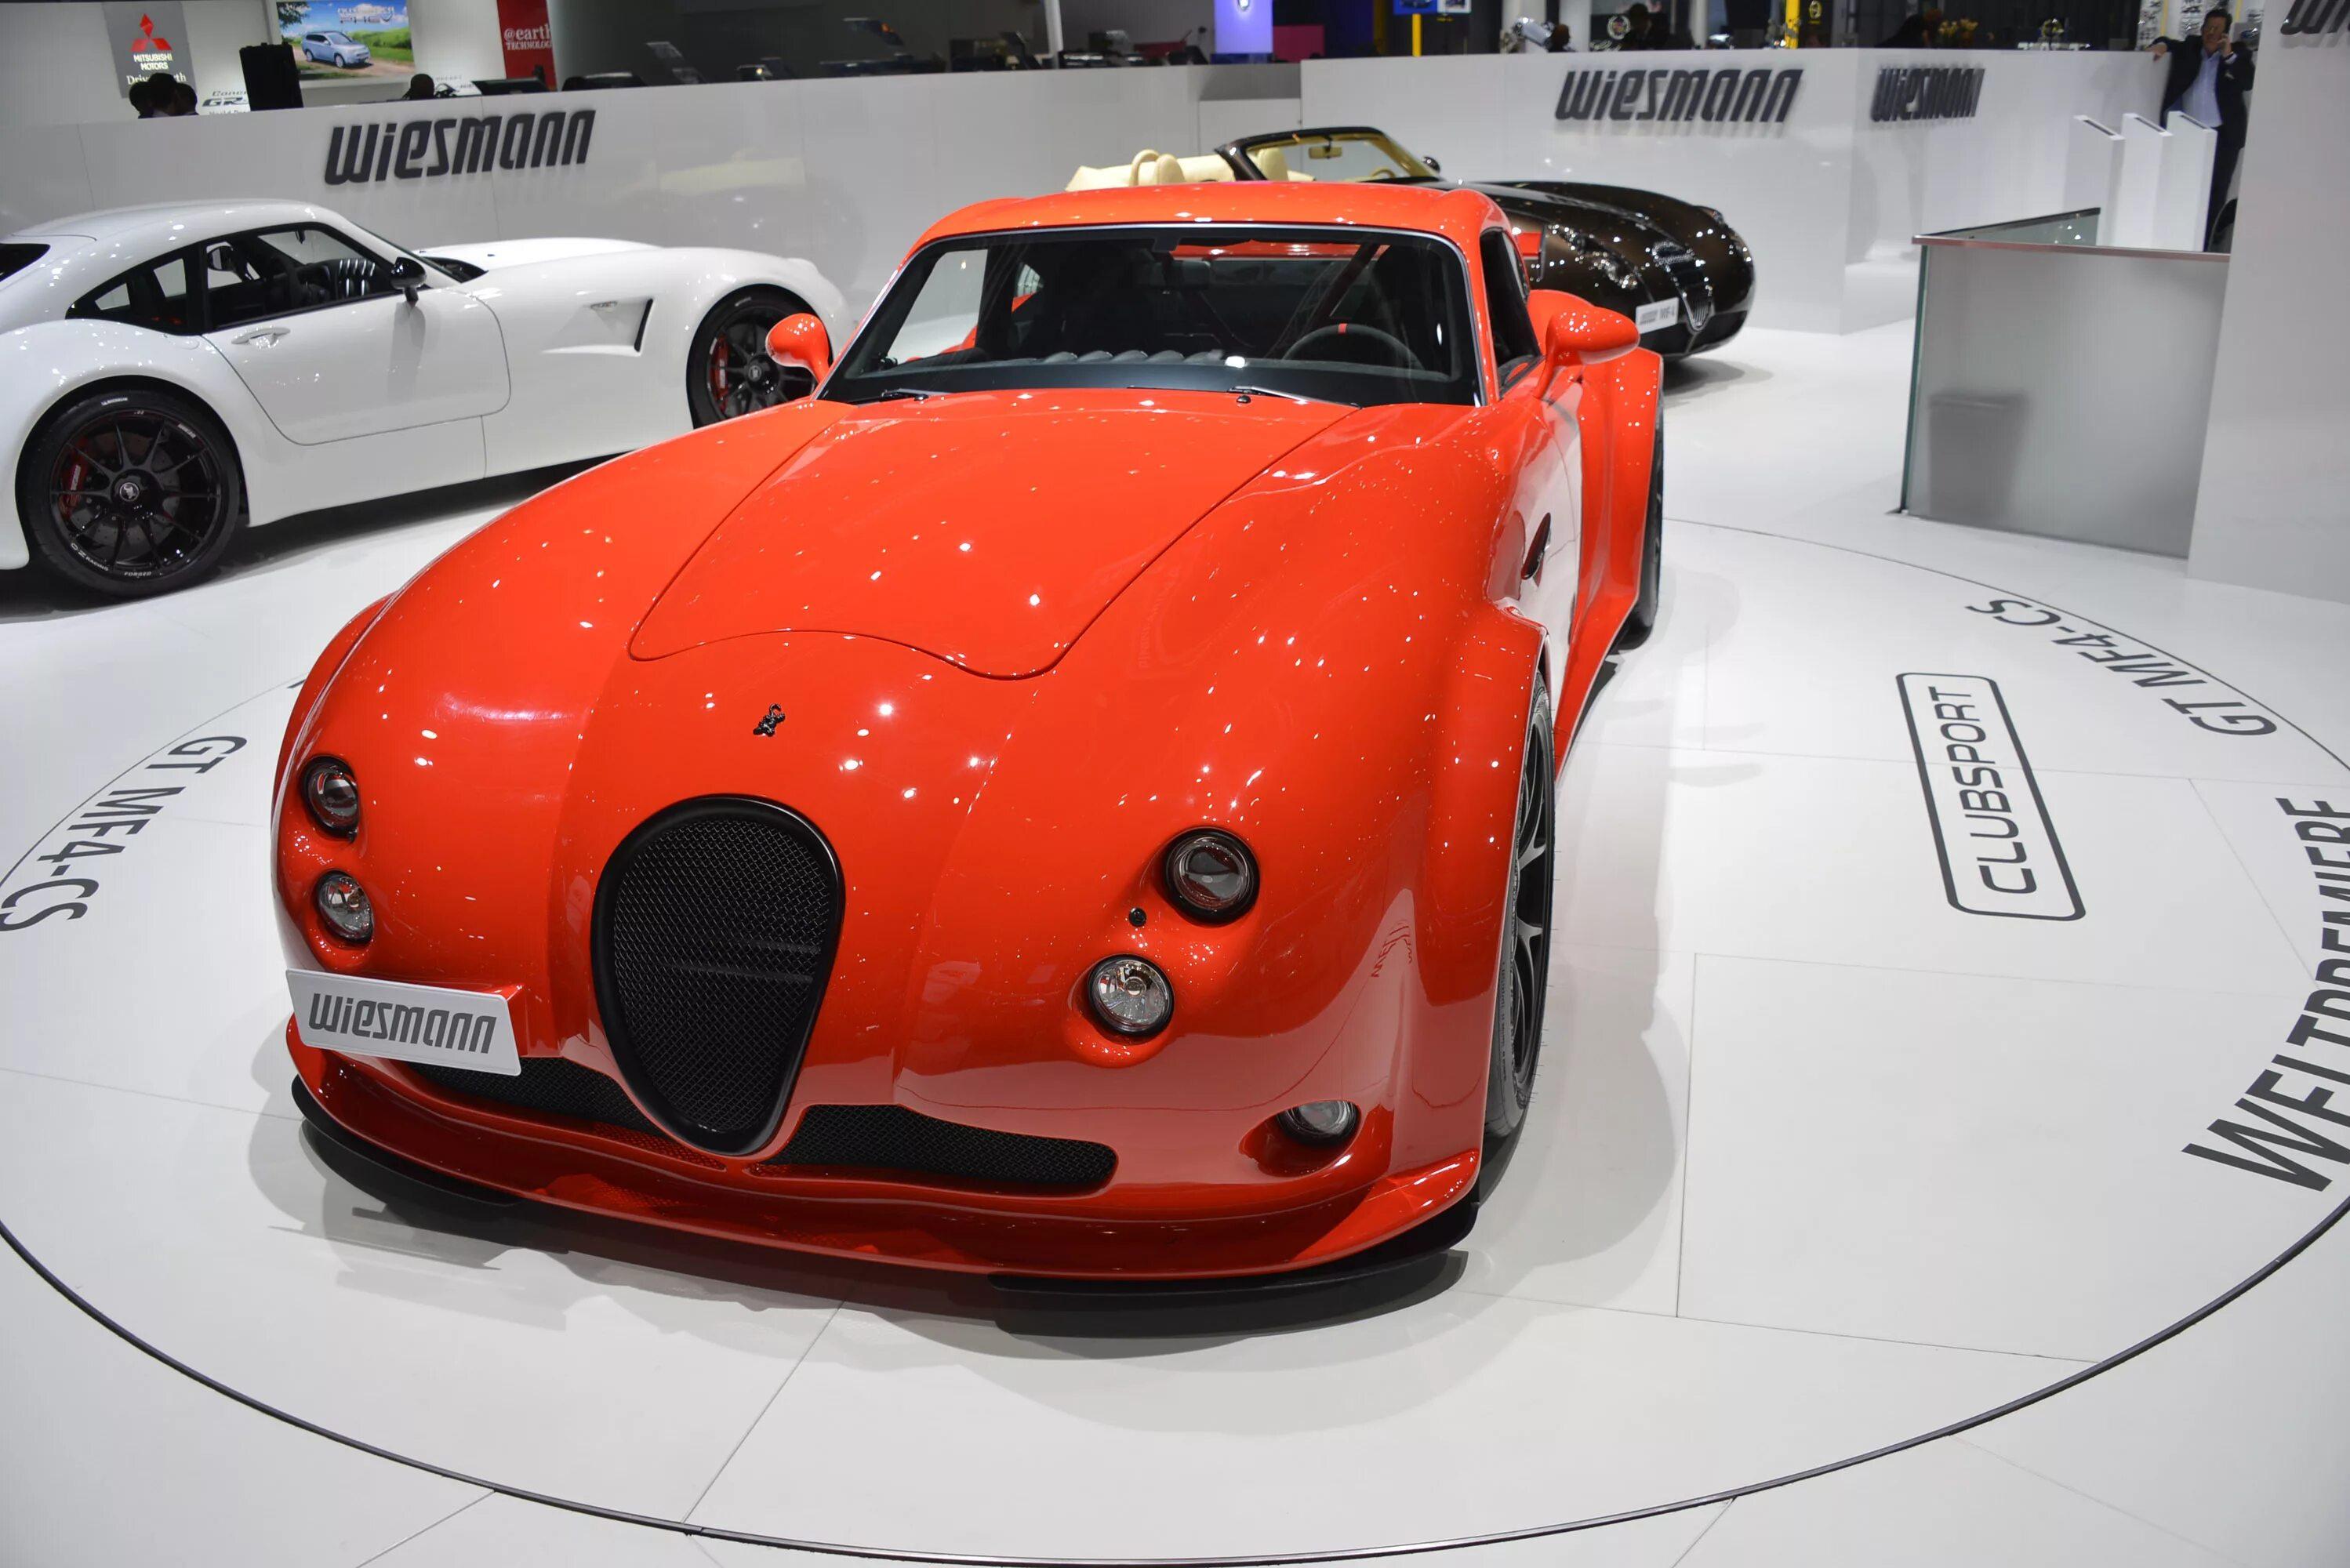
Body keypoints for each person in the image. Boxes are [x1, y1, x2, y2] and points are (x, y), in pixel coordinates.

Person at [2152, 9, 2254, 249]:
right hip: (2189, 133)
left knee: (2216, 191)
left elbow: (2247, 81)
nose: (2211, 33)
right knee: (2184, 186)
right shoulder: (2191, 47)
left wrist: (2228, 56)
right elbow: (2168, 42)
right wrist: (2161, 46)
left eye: (2217, 29)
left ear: (2226, 33)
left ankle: (2206, 243)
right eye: (2208, 27)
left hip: (2224, 136)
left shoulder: (2239, 53)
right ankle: (2180, 237)